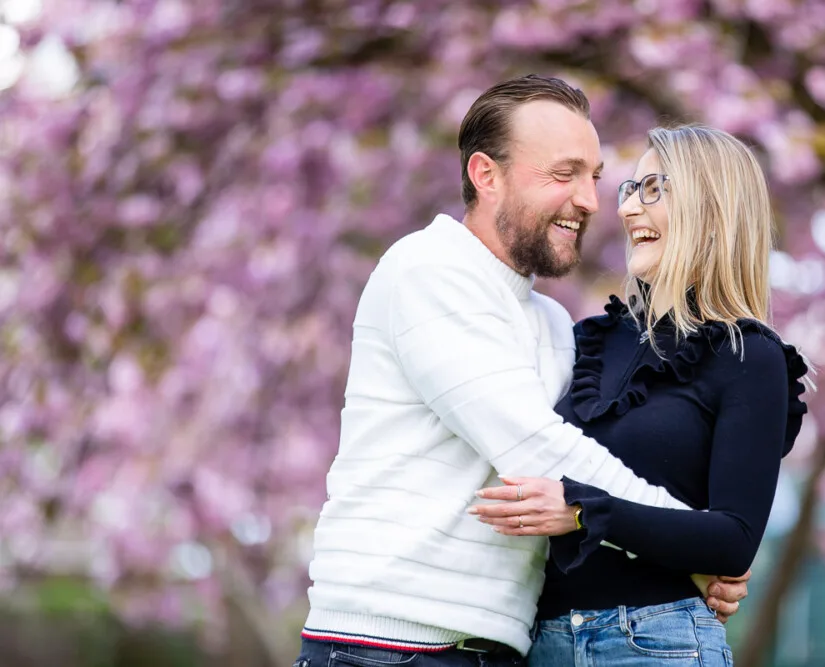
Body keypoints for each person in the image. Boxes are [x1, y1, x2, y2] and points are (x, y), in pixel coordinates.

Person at [293, 77, 750, 667]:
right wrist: (694, 544)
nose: (589, 199)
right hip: (386, 642)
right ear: (486, 176)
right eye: (564, 174)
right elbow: (534, 447)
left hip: (499, 647)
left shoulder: (556, 325)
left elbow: (570, 491)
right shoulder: (428, 269)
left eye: (593, 175)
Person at [471, 125, 811, 666]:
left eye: (654, 189)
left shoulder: (749, 357)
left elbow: (734, 539)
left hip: (656, 643)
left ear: (711, 206)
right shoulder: (581, 340)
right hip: (540, 644)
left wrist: (584, 511)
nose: (628, 210)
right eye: (631, 188)